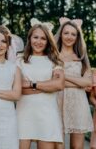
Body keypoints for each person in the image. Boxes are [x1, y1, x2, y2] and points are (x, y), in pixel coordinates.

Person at [17, 18, 65, 149]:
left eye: (43, 38)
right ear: (29, 38)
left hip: (47, 113)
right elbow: (18, 88)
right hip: (23, 113)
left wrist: (31, 84)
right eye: (35, 37)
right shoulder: (19, 60)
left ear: (48, 41)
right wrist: (47, 86)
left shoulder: (55, 62)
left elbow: (58, 85)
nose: (38, 41)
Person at [54, 17, 93, 149]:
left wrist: (64, 77)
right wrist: (80, 84)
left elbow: (88, 82)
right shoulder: (53, 56)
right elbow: (53, 82)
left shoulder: (82, 57)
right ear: (61, 34)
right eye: (66, 33)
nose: (69, 37)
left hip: (78, 104)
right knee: (58, 145)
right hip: (56, 101)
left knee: (77, 147)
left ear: (77, 37)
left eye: (73, 34)